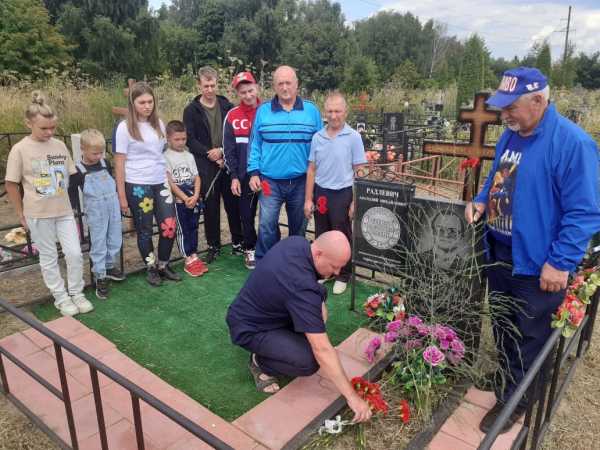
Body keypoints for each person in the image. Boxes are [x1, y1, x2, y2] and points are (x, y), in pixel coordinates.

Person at [465, 67, 600, 433]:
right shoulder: (512, 135)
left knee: (530, 332)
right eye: (502, 106)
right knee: (504, 322)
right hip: (500, 250)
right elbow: (498, 178)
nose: (504, 114)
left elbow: (585, 212)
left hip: (537, 261)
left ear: (539, 100)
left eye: (511, 106)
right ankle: (508, 375)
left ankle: (518, 400)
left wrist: (559, 262)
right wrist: (480, 201)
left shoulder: (573, 144)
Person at [226, 231, 372, 423]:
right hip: (250, 328)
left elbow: (311, 290)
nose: (337, 273)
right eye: (334, 267)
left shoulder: (297, 243)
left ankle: (279, 343)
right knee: (309, 360)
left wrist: (317, 307)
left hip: (267, 311)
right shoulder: (301, 286)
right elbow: (322, 350)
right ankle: (260, 362)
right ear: (319, 254)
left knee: (317, 319)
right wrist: (352, 397)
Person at [5, 91, 94, 316]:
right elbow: (11, 184)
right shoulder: (20, 149)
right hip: (38, 213)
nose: (50, 132)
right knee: (49, 256)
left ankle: (76, 292)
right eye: (44, 128)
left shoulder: (59, 146)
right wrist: (20, 214)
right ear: (28, 123)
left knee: (74, 253)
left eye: (53, 127)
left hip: (63, 210)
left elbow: (71, 176)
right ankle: (61, 297)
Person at [247, 65, 322, 262]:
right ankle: (265, 262)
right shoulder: (263, 111)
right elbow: (255, 144)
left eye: (289, 82)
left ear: (297, 85)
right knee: (266, 223)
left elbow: (322, 146)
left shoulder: (311, 111)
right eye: (280, 83)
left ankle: (296, 263)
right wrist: (254, 172)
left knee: (299, 226)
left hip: (300, 181)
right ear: (274, 86)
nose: (285, 87)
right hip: (269, 181)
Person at [114, 81, 181, 286]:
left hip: (159, 182)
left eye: (150, 101)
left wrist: (169, 181)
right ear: (133, 103)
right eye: (142, 102)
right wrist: (122, 197)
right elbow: (119, 163)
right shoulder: (124, 128)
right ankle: (151, 267)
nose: (147, 106)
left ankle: (163, 264)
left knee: (169, 225)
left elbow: (160, 156)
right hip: (137, 184)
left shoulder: (159, 124)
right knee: (144, 230)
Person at [304, 92, 366, 294]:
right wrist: (307, 199)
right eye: (330, 111)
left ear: (345, 112)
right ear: (325, 112)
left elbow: (360, 171)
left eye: (338, 111)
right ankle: (325, 272)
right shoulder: (317, 137)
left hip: (342, 193)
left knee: (342, 235)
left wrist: (356, 201)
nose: (334, 115)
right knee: (322, 233)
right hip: (321, 192)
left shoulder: (354, 137)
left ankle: (344, 274)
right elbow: (311, 170)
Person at [183, 66, 243, 263]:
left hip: (227, 161)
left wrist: (223, 152)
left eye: (213, 85)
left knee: (233, 204)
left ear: (218, 84)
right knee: (211, 206)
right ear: (199, 85)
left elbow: (235, 134)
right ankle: (213, 245)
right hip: (206, 164)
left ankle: (237, 242)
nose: (209, 89)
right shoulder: (191, 110)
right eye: (206, 85)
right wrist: (210, 154)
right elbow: (189, 139)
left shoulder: (228, 106)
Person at [69, 129, 125, 300]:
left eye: (101, 152)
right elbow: (72, 191)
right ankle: (100, 276)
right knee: (99, 242)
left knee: (115, 237)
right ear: (83, 149)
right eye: (95, 153)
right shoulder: (77, 170)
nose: (98, 156)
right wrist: (73, 209)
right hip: (95, 210)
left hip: (112, 205)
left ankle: (109, 266)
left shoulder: (104, 163)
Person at [223, 72, 261, 269]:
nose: (248, 95)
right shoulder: (232, 115)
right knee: (246, 215)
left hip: (269, 175)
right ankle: (250, 249)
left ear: (257, 88)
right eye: (243, 92)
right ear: (237, 93)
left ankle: (267, 248)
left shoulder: (268, 111)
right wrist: (235, 177)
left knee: (269, 215)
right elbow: (228, 150)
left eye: (250, 90)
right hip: (245, 176)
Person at [164, 120, 208, 277]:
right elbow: (170, 182)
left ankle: (194, 254)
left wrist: (195, 195)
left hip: (192, 197)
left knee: (194, 226)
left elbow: (196, 177)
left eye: (183, 139)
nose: (181, 142)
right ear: (168, 138)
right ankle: (187, 258)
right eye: (177, 139)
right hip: (179, 200)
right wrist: (183, 197)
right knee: (183, 229)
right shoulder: (166, 157)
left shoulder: (189, 155)